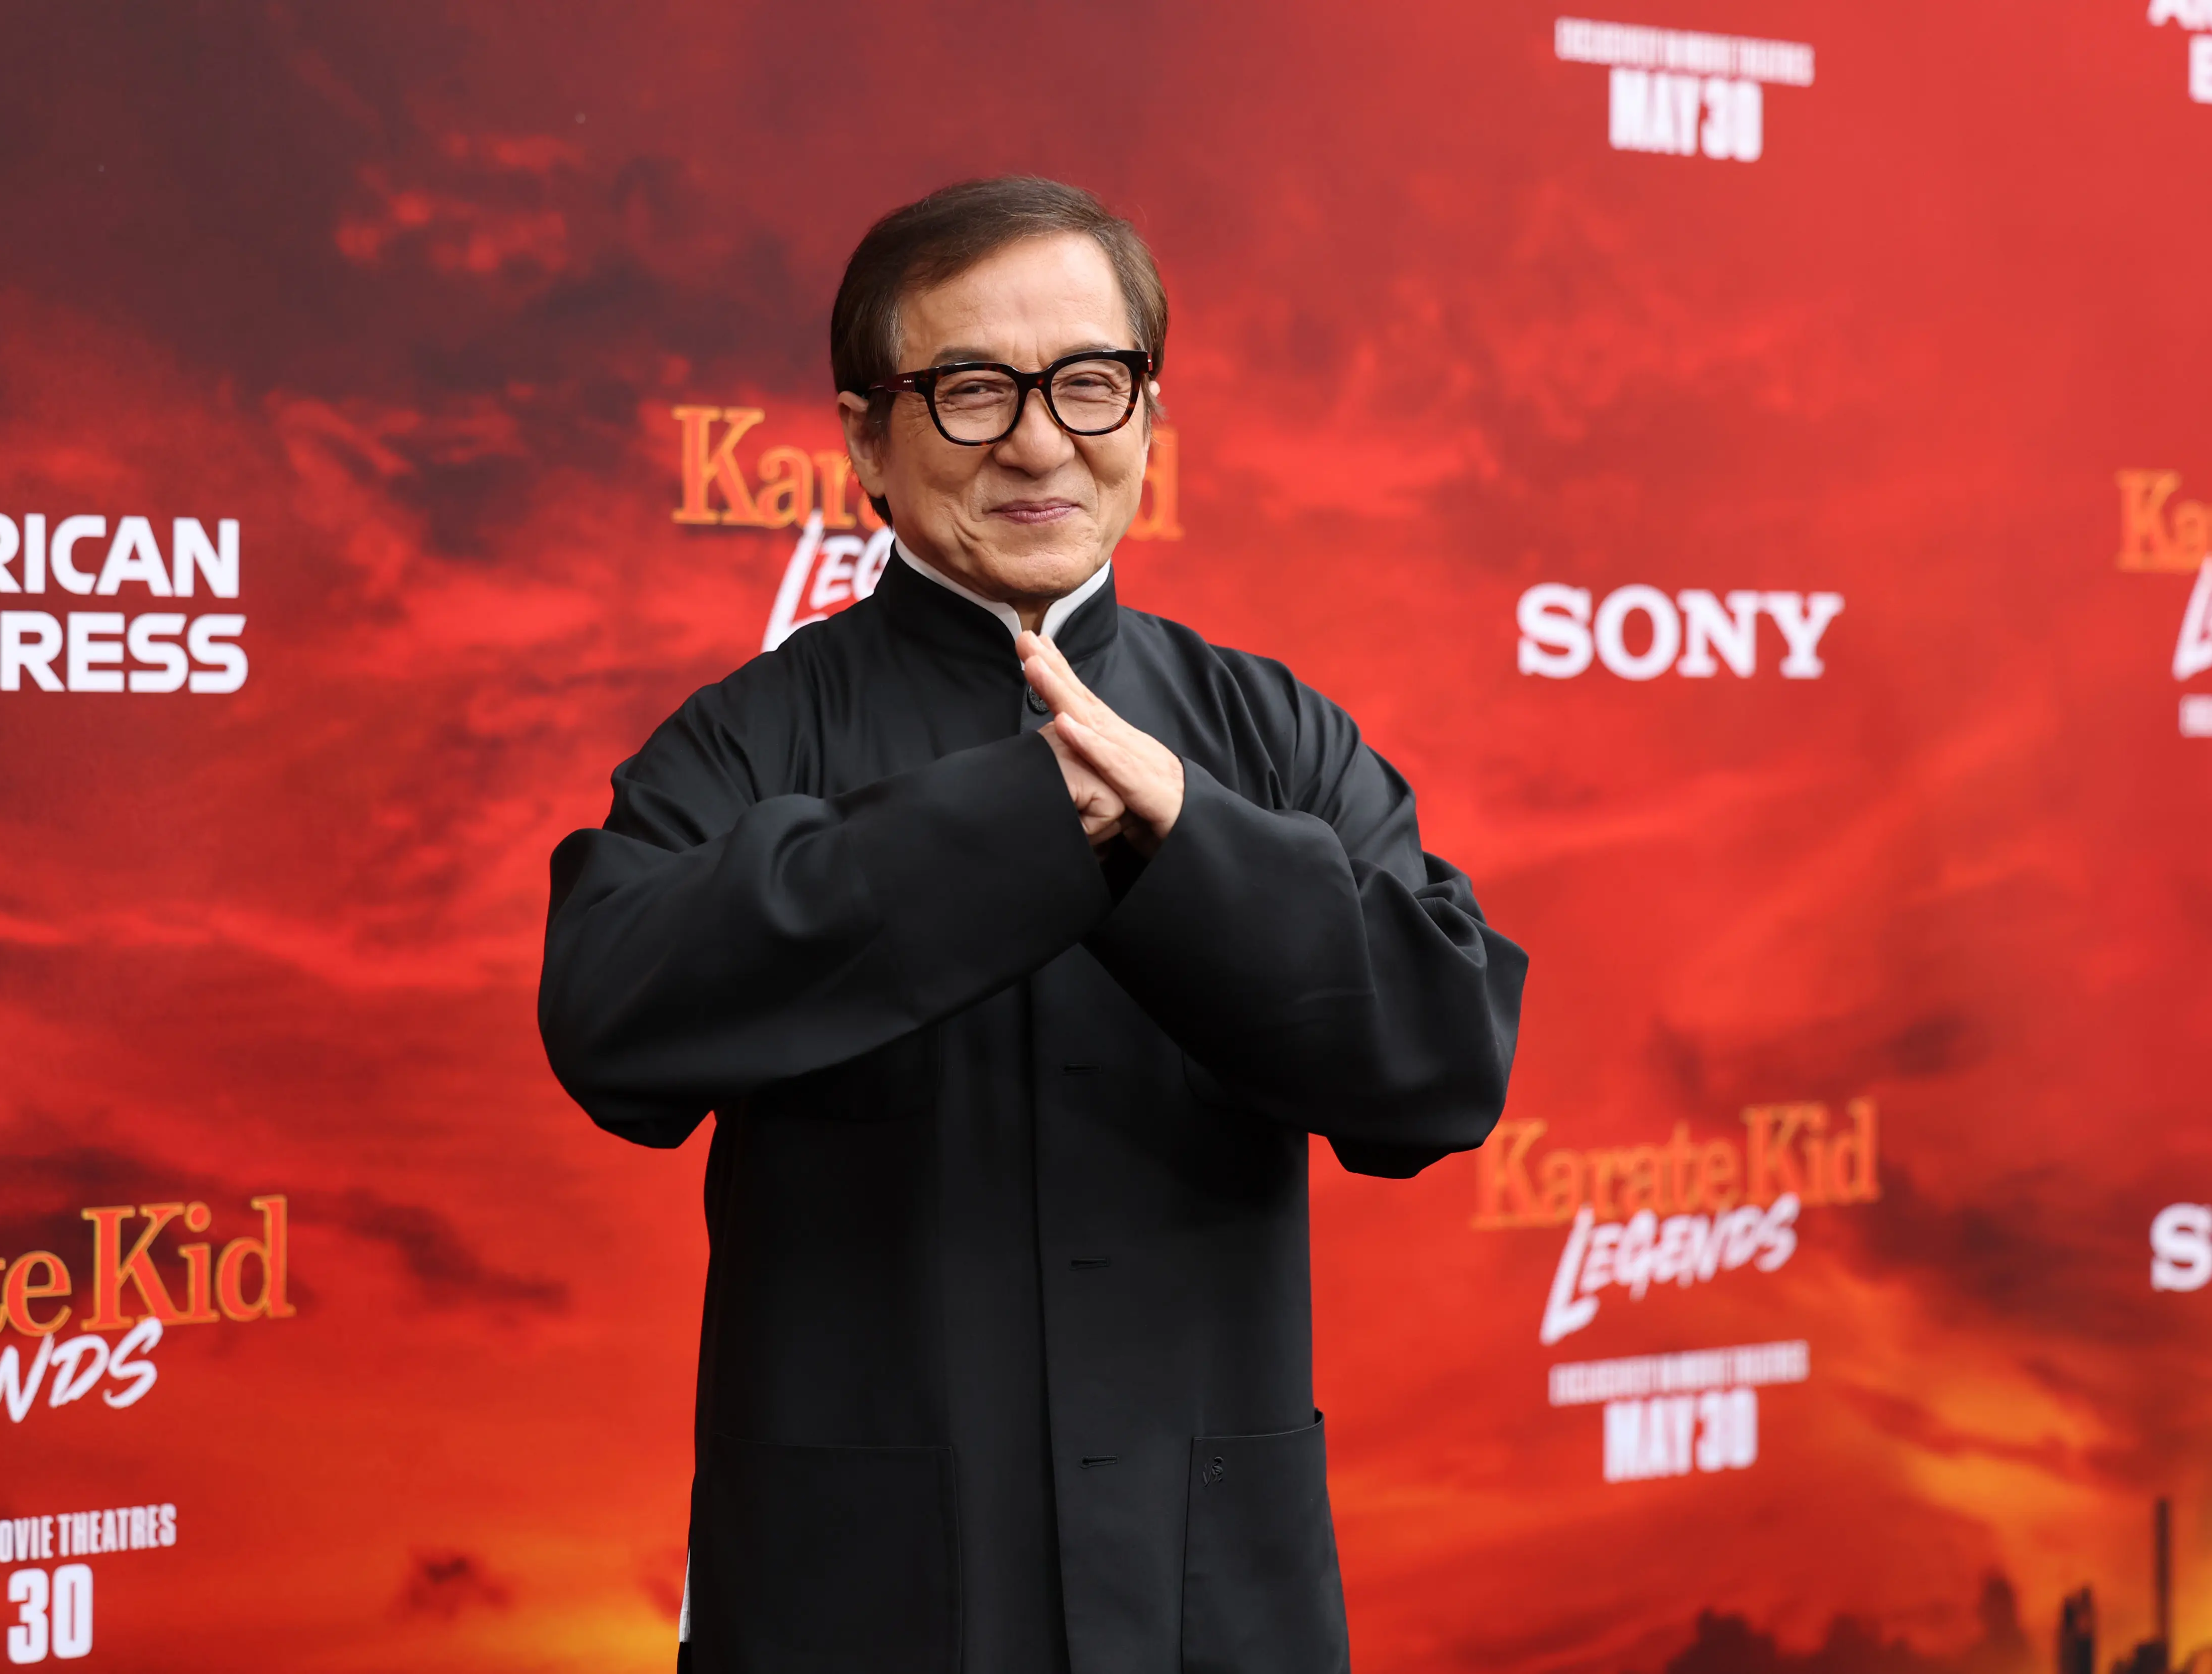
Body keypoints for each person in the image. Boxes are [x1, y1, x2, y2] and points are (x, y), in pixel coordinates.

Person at [539, 176, 1526, 1674]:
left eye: (1089, 381)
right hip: (856, 1598)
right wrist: (1018, 824)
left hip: (1216, 1594)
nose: (1042, 440)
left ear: (1146, 412)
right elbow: (612, 1018)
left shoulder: (1275, 739)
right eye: (971, 390)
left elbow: (1442, 1065)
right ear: (867, 434)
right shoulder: (746, 737)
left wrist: (1185, 837)